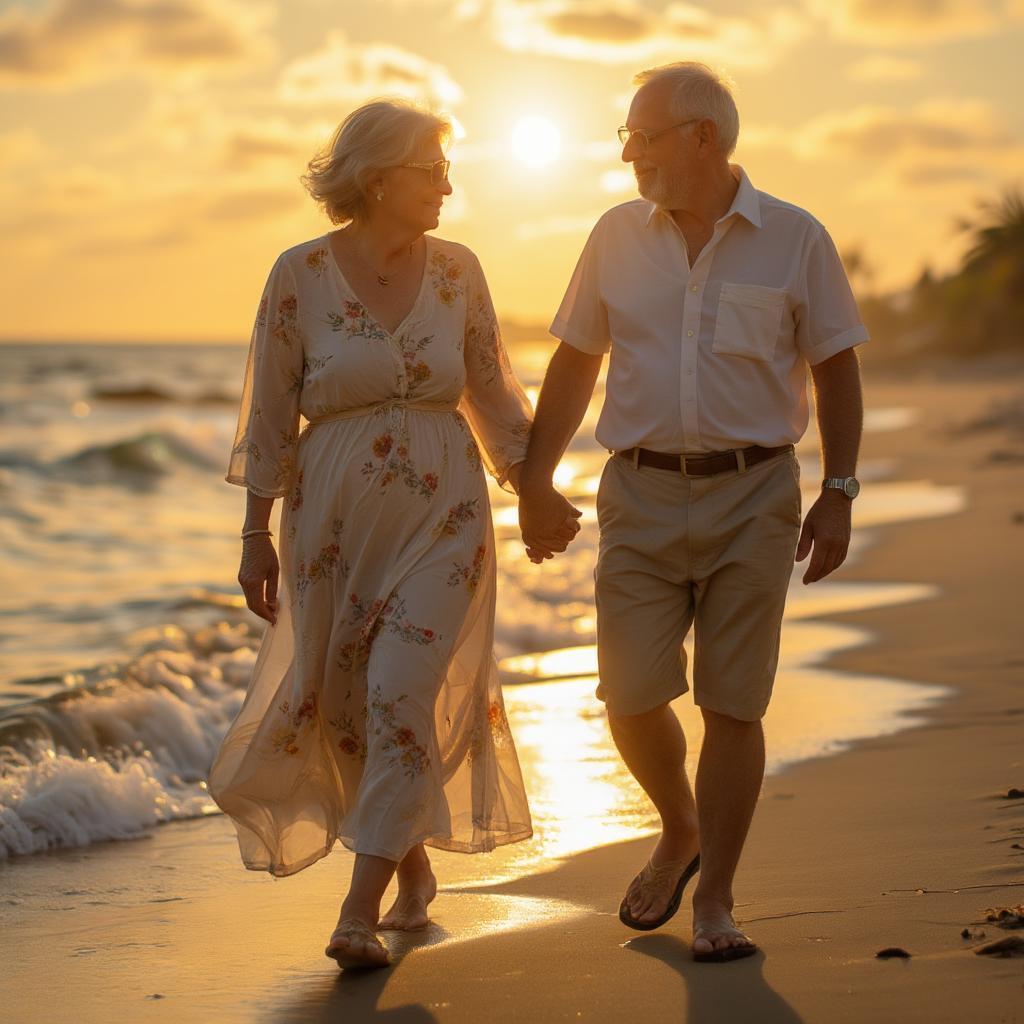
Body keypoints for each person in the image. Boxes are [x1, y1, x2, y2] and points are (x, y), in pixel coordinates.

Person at [208, 98, 577, 970]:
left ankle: (355, 910)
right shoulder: (298, 275)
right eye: (432, 167)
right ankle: (410, 868)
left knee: (400, 689)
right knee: (347, 710)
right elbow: (267, 417)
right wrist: (254, 536)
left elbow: (492, 396)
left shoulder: (457, 272)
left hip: (445, 517)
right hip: (330, 528)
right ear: (379, 178)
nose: (448, 182)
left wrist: (537, 490)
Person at [519, 61, 867, 962]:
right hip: (635, 492)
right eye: (625, 136)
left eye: (642, 133)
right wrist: (533, 481)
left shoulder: (795, 238)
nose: (627, 151)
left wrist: (839, 492)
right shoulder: (613, 236)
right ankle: (681, 827)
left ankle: (713, 898)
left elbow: (836, 364)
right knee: (629, 695)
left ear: (701, 137)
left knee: (734, 704)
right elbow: (573, 362)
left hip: (755, 492)